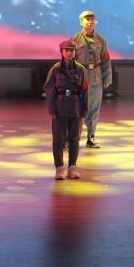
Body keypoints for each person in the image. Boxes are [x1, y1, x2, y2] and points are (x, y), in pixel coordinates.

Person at [45, 40, 89, 179]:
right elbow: (49, 89)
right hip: (60, 106)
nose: (69, 53)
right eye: (67, 50)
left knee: (74, 139)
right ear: (62, 52)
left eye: (72, 50)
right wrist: (52, 109)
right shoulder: (56, 69)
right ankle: (59, 168)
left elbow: (85, 90)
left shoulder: (80, 69)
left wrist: (84, 109)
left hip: (75, 107)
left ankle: (72, 167)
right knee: (58, 139)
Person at [71, 10, 113, 148]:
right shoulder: (74, 39)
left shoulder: (100, 40)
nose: (90, 22)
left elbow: (105, 60)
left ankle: (91, 137)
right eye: (87, 19)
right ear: (81, 22)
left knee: (94, 109)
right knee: (76, 109)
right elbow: (69, 61)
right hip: (79, 78)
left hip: (96, 78)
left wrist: (107, 78)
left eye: (92, 19)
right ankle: (72, 138)